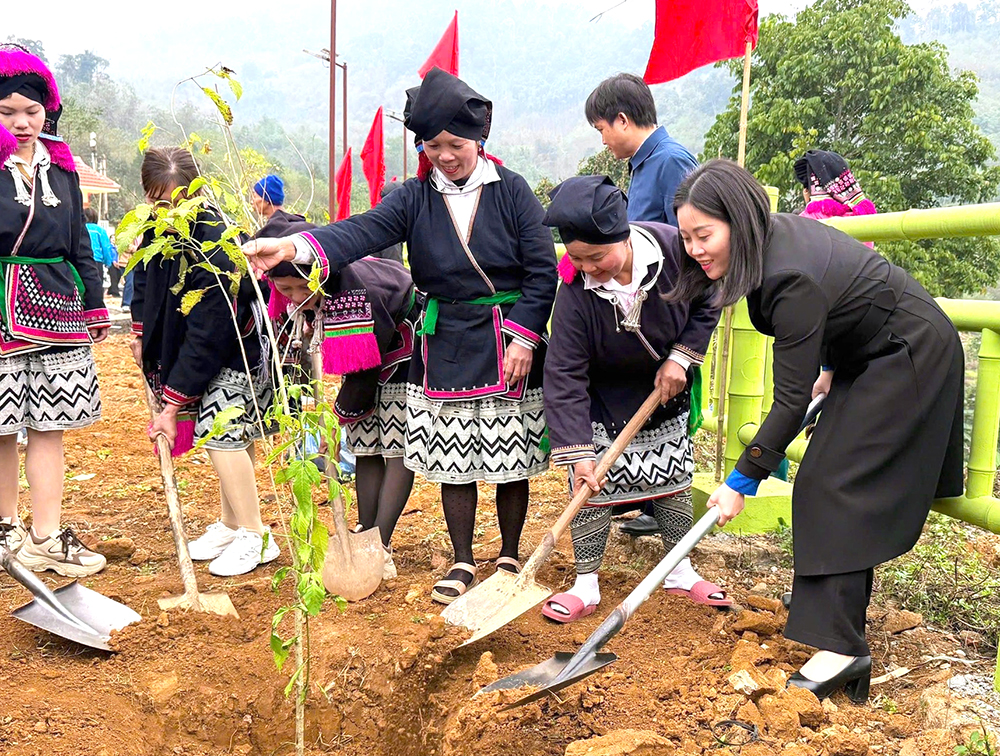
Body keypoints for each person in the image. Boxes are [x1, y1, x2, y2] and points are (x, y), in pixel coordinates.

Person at [244, 67, 557, 605]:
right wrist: (296, 247)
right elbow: (360, 230)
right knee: (456, 458)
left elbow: (541, 270)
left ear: (479, 140)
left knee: (511, 455)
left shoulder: (513, 192)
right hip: (445, 341)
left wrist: (526, 336)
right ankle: (462, 560)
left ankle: (507, 553)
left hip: (506, 338)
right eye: (434, 146)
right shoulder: (414, 198)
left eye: (456, 144)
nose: (446, 155)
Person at [669, 159, 964, 702]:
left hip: (908, 354)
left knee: (831, 481)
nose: (695, 249)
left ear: (739, 219)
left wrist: (742, 479)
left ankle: (843, 648)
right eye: (687, 237)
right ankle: (841, 637)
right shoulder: (770, 245)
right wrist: (829, 367)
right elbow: (838, 304)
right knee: (831, 478)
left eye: (704, 234)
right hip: (867, 354)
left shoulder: (787, 276)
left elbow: (786, 400)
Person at [539, 175, 725, 622]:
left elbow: (711, 298)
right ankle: (586, 585)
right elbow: (564, 370)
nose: (588, 268)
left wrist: (681, 358)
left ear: (622, 235)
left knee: (673, 482)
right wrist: (577, 451)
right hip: (603, 399)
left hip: (665, 388)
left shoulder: (676, 250)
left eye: (597, 256)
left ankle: (680, 570)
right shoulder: (574, 292)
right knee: (590, 490)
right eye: (578, 258)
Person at [132, 147, 279, 577]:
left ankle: (257, 535)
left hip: (236, 347)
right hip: (202, 344)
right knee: (227, 435)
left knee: (223, 434)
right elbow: (144, 283)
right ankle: (232, 525)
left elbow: (210, 330)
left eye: (178, 200)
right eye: (159, 202)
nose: (170, 210)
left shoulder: (213, 237)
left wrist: (173, 405)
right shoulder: (155, 231)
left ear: (197, 192)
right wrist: (142, 334)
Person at [259, 205, 420, 580]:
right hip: (366, 359)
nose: (297, 295)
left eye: (305, 287)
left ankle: (382, 543)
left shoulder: (353, 291)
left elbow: (363, 369)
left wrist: (340, 413)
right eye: (286, 289)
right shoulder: (287, 297)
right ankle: (365, 532)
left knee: (395, 445)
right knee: (365, 444)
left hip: (403, 346)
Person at [0, 45, 110, 576]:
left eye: (32, 111)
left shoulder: (63, 168)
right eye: (7, 112)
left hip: (56, 308)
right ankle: (5, 531)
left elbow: (78, 245)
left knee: (48, 426)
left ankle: (45, 535)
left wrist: (94, 304)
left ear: (48, 111)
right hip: (0, 307)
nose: (22, 123)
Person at [585, 72, 700, 537]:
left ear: (623, 119)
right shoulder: (643, 164)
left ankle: (665, 504)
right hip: (638, 303)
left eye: (602, 130)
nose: (604, 140)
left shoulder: (672, 162)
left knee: (670, 404)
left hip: (669, 306)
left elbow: (689, 243)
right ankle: (647, 498)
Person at [84, 206, 116, 292]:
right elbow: (106, 247)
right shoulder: (100, 230)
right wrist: (108, 262)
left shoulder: (80, 229)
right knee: (97, 287)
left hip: (82, 260)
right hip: (96, 261)